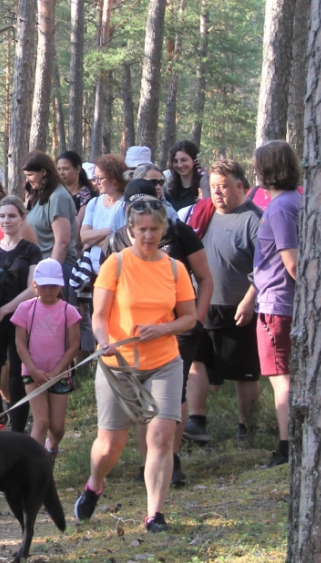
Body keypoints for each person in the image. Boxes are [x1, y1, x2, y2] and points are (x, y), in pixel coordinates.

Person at [75, 196, 197, 534]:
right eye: (141, 229)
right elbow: (98, 316)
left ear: (163, 230)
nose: (148, 235)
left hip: (164, 362)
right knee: (110, 445)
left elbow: (189, 318)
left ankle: (154, 514)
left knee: (161, 438)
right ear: (130, 231)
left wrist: (162, 328)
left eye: (154, 229)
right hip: (119, 364)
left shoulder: (175, 268)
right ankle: (95, 483)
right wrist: (104, 342)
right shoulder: (115, 264)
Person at [105, 178, 215, 487]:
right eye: (136, 205)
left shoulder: (180, 231)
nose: (145, 212)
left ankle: (170, 457)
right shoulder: (115, 240)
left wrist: (198, 317)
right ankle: (148, 462)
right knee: (145, 396)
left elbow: (205, 277)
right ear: (126, 208)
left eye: (150, 203)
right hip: (135, 333)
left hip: (178, 326)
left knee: (172, 392)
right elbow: (103, 293)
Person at [187, 159, 264, 445]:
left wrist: (249, 301)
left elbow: (265, 267)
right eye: (213, 187)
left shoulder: (254, 219)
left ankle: (249, 427)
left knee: (244, 371)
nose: (217, 193)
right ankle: (196, 421)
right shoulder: (203, 213)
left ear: (241, 186)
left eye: (223, 187)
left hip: (239, 307)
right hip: (203, 304)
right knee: (198, 361)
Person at [245, 139, 301, 468]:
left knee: (281, 378)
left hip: (278, 305)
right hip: (278, 301)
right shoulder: (292, 202)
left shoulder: (281, 208)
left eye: (258, 166)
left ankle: (287, 447)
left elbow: (291, 262)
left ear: (270, 169)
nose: (254, 172)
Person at [0, 195, 45, 434]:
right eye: (2, 216)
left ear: (22, 218)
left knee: (18, 378)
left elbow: (33, 288)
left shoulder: (31, 251)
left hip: (21, 322)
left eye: (12, 216)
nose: (6, 220)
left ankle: (18, 433)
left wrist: (5, 310)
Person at [12, 259, 82, 459]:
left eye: (53, 285)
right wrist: (33, 369)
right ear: (35, 284)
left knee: (57, 427)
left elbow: (73, 345)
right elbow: (20, 344)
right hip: (33, 373)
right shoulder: (25, 309)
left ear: (60, 285)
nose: (49, 290)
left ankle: (51, 447)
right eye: (44, 285)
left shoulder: (69, 311)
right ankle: (34, 466)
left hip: (59, 374)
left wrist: (57, 371)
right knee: (41, 421)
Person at [21, 151, 76, 270]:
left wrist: (51, 273)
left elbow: (62, 242)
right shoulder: (42, 196)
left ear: (44, 172)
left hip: (57, 268)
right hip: (40, 266)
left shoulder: (58, 197)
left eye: (30, 175)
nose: (27, 180)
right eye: (26, 175)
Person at [77, 155, 128, 274]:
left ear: (114, 179)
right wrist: (111, 231)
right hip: (92, 272)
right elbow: (84, 236)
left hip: (118, 271)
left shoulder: (127, 205)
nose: (96, 183)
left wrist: (92, 241)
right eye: (95, 178)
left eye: (100, 178)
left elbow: (125, 244)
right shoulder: (93, 203)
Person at [163, 140, 206, 214]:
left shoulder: (205, 187)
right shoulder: (168, 190)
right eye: (175, 161)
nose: (179, 165)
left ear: (194, 160)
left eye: (184, 160)